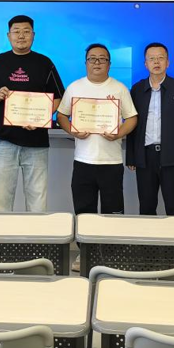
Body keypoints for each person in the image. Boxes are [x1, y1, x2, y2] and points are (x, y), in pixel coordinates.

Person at [0, 15, 64, 212]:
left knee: (37, 198)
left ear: (33, 35)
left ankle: (36, 234)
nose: (21, 36)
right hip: (4, 140)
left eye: (26, 31)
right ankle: (3, 233)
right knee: (2, 198)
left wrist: (41, 118)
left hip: (36, 142)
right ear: (9, 36)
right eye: (16, 31)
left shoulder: (45, 63)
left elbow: (59, 96)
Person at [57, 44, 138, 218]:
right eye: (92, 59)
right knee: (84, 214)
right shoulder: (74, 87)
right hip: (83, 161)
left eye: (102, 59)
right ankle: (85, 238)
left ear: (109, 64)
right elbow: (62, 115)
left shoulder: (120, 88)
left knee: (113, 213)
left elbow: (132, 118)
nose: (97, 62)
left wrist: (119, 133)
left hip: (111, 162)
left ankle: (111, 237)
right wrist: (73, 131)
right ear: (85, 63)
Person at [126, 42, 174, 216]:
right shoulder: (138, 89)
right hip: (145, 157)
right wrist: (131, 156)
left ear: (168, 62)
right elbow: (132, 123)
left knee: (173, 205)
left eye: (160, 58)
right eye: (151, 59)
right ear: (145, 64)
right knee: (147, 206)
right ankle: (148, 235)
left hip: (172, 156)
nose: (156, 62)